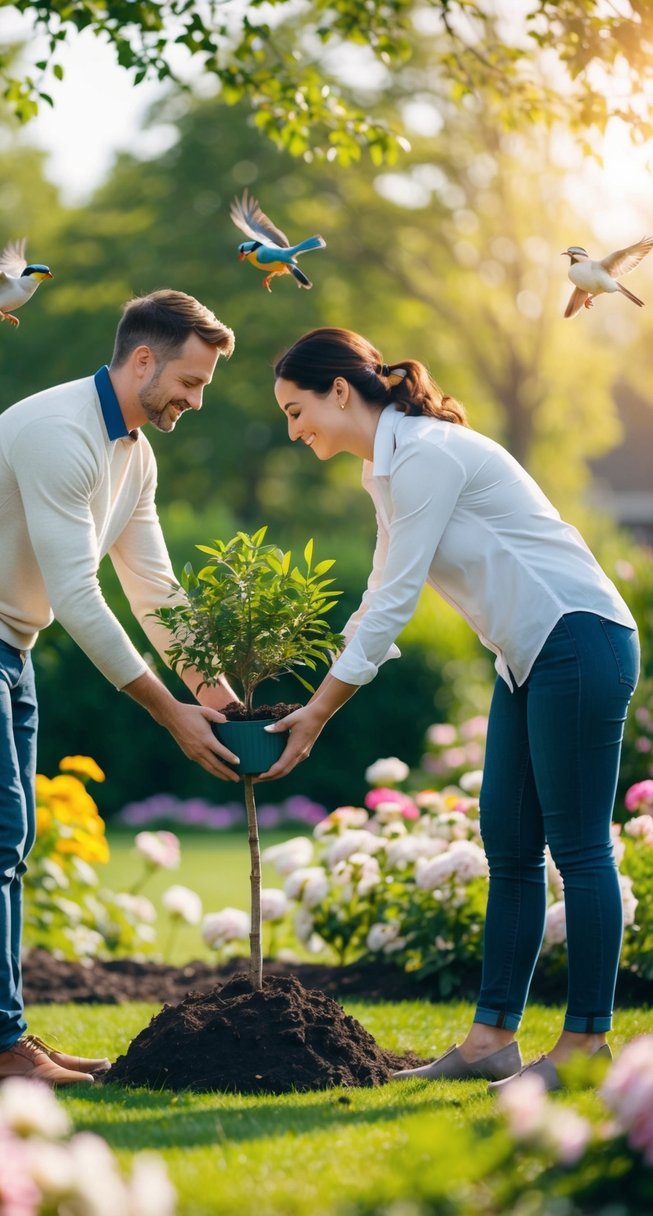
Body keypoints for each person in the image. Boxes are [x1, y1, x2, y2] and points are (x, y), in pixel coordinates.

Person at [264, 326, 639, 1093]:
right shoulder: (388, 470)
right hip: (525, 656)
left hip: (577, 638)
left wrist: (321, 710)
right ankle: (490, 1040)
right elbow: (378, 592)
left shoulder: (427, 456)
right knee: (507, 842)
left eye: (296, 411)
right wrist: (319, 685)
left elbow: (397, 599)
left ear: (340, 390)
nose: (293, 430)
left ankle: (582, 1048)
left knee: (577, 850)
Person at [0, 289, 240, 1087]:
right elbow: (78, 595)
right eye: (190, 380)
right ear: (142, 360)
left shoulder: (134, 454)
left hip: (3, 635)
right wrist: (168, 714)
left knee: (12, 834)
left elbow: (155, 588)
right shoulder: (58, 432)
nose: (195, 399)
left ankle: (6, 1039)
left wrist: (214, 696)